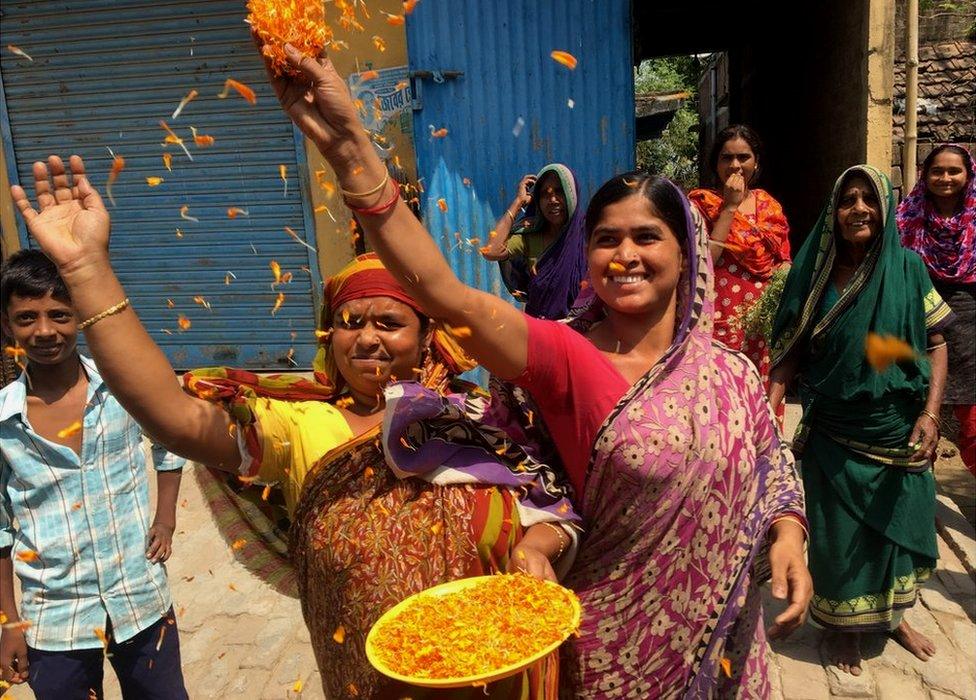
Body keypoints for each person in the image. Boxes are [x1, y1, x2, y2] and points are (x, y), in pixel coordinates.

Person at [259, 41, 812, 697]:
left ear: (686, 250)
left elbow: (769, 458)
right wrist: (350, 146)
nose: (624, 255)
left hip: (726, 643)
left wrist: (788, 534)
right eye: (606, 239)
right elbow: (443, 291)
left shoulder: (729, 373)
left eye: (646, 237)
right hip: (614, 657)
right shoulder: (567, 356)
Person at [9, 160, 578, 698]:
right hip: (370, 679)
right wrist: (87, 271)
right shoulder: (304, 424)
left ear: (428, 336)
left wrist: (536, 545)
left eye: (390, 322)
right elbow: (174, 418)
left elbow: (555, 512)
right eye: (350, 323)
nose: (369, 338)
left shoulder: (478, 418)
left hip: (501, 670)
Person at [769, 165, 952, 676]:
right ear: (834, 211)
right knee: (840, 535)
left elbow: (936, 345)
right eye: (846, 200)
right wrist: (768, 415)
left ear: (886, 207)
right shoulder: (815, 275)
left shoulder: (910, 269)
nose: (858, 209)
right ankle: (842, 627)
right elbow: (790, 352)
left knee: (896, 529)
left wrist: (931, 415)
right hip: (835, 430)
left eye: (868, 199)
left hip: (898, 428)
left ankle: (893, 619)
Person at [0, 250, 187, 698]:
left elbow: (171, 440)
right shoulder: (4, 420)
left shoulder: (123, 386)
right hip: (54, 618)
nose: (45, 331)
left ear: (82, 314)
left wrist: (166, 517)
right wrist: (10, 624)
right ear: (6, 326)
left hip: (140, 600)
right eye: (27, 318)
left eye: (59, 315)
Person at [688, 125, 791, 389]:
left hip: (762, 323)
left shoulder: (769, 206)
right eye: (727, 157)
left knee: (759, 394)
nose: (735, 165)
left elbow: (782, 262)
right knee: (722, 397)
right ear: (715, 164)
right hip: (719, 320)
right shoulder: (702, 204)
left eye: (743, 157)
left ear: (756, 163)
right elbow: (704, 261)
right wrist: (730, 207)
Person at [897, 144, 975, 476]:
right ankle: (919, 498)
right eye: (937, 171)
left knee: (972, 425)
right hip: (918, 328)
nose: (945, 178)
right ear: (925, 175)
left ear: (968, 175)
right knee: (919, 413)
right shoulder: (905, 216)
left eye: (954, 171)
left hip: (970, 331)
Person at [480, 164, 588, 319]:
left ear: (572, 195)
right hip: (541, 330)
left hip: (582, 334)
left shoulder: (589, 234)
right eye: (544, 194)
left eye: (559, 191)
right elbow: (491, 251)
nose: (552, 200)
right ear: (537, 200)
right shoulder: (530, 236)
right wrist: (518, 202)